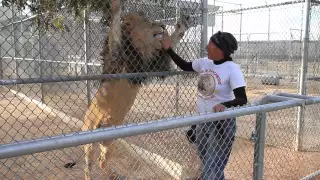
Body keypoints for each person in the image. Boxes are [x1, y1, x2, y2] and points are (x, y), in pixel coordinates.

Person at [162, 31, 248, 180]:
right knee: (209, 164)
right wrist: (169, 49)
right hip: (202, 121)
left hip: (221, 123)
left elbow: (242, 98)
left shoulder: (232, 69)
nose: (207, 47)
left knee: (212, 168)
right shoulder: (204, 63)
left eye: (211, 45)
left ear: (220, 50)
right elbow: (184, 66)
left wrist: (225, 105)